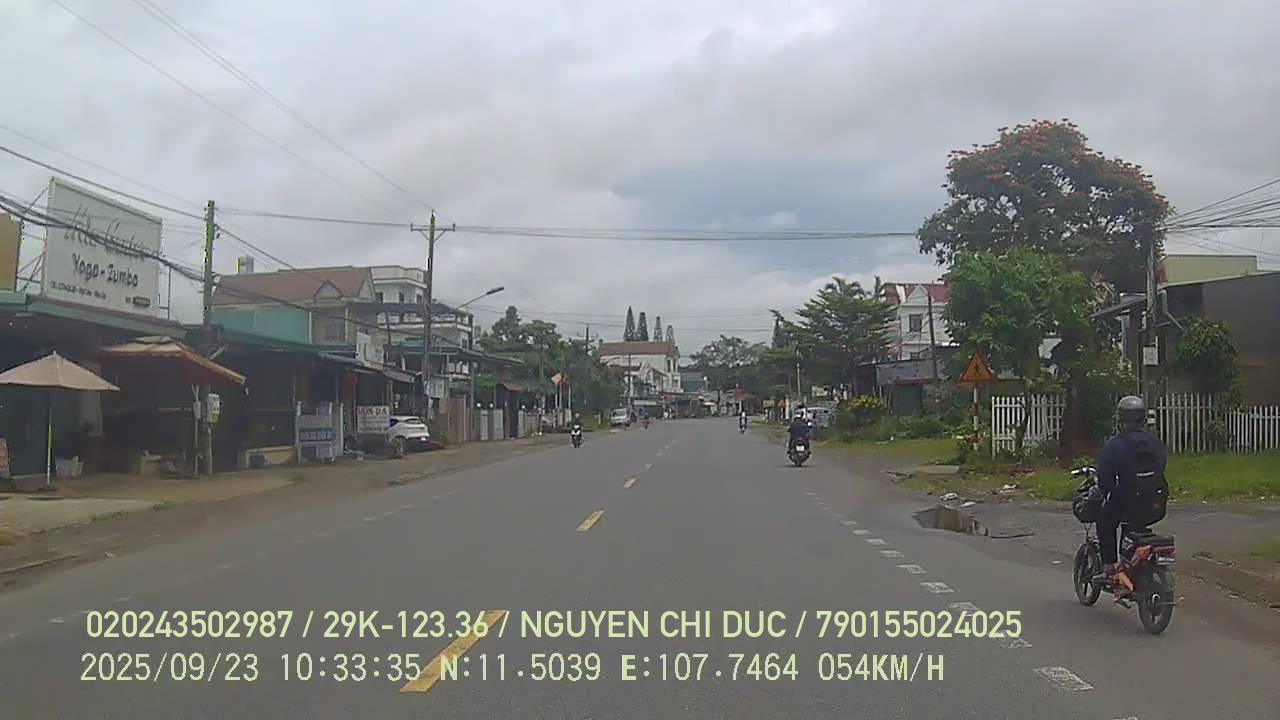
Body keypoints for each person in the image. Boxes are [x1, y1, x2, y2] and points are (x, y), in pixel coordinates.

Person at [1094, 395, 1168, 593]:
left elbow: (1105, 478)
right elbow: (1161, 466)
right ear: (1142, 418)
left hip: (1126, 502)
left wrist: (1109, 494)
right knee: (1135, 526)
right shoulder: (1156, 442)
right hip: (1156, 504)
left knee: (1105, 522)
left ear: (1121, 419)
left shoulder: (1114, 445)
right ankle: (1131, 566)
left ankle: (1109, 567)